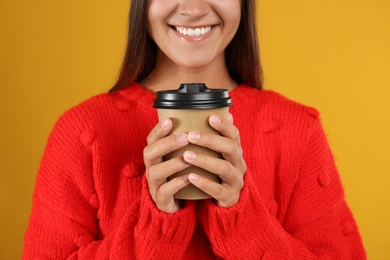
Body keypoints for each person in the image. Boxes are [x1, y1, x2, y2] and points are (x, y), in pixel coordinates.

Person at [23, 0, 367, 259]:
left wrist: (241, 217)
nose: (193, 8)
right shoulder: (84, 131)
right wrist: (154, 226)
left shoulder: (297, 130)